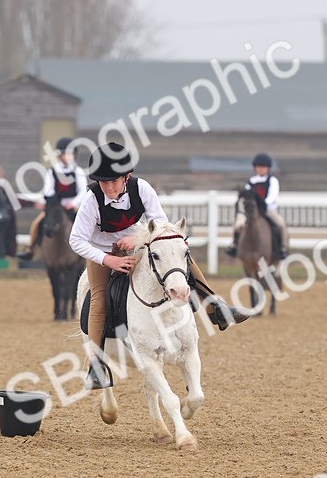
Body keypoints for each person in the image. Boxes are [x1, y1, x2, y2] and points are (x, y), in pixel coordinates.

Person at [69, 142, 249, 389]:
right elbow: (76, 240)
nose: (109, 188)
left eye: (114, 181)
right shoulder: (92, 199)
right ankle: (96, 366)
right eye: (103, 182)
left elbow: (163, 226)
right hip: (102, 253)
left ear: (127, 177)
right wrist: (109, 259)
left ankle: (216, 308)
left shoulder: (142, 189)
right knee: (99, 298)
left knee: (179, 255)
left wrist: (136, 239)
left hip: (139, 244)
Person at [18, 136, 85, 260]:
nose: (69, 157)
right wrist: (54, 203)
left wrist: (73, 203)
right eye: (66, 154)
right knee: (36, 223)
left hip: (73, 206)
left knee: (86, 224)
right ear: (60, 155)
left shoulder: (78, 171)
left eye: (71, 154)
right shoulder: (52, 171)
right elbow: (49, 190)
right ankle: (31, 249)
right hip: (56, 207)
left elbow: (82, 191)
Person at [226, 152, 288, 259]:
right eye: (259, 167)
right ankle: (235, 246)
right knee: (238, 224)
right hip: (252, 211)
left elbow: (272, 197)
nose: (261, 169)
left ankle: (283, 248)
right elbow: (246, 196)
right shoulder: (251, 182)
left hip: (268, 210)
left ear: (268, 168)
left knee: (281, 225)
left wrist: (262, 206)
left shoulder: (272, 181)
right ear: (255, 168)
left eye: (263, 167)